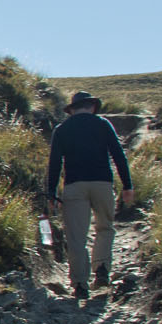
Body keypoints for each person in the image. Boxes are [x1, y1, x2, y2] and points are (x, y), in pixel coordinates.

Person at [45, 90, 134, 301]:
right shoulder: (103, 124)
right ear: (92, 106)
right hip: (103, 184)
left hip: (74, 186)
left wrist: (51, 193)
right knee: (105, 227)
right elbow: (118, 155)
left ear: (72, 109)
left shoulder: (62, 129)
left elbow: (55, 163)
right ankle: (101, 268)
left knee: (76, 237)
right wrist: (127, 185)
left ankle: (80, 284)